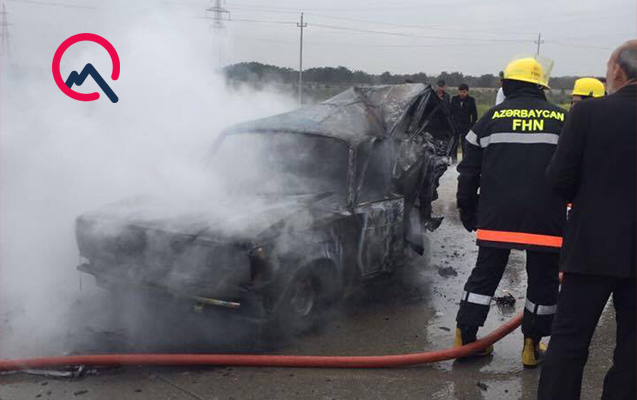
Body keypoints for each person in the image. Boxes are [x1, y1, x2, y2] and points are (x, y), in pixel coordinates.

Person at [537, 40, 637, 400]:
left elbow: (559, 179)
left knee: (568, 342)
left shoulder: (589, 114)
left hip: (591, 247)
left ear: (617, 71)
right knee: (633, 350)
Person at [453, 56, 568, 368]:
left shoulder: (489, 118)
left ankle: (466, 339)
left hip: (497, 218)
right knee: (544, 283)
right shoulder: (562, 119)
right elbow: (574, 171)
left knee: (484, 276)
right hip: (546, 219)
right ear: (542, 87)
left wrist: (467, 209)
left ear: (505, 84)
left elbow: (468, 172)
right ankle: (532, 347)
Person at [449, 83, 478, 163]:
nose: (462, 93)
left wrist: (471, 126)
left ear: (467, 92)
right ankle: (454, 161)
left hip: (466, 126)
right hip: (455, 125)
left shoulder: (471, 100)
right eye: (461, 91)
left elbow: (474, 115)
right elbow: (450, 113)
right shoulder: (454, 99)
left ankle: (464, 161)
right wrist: (451, 124)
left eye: (464, 92)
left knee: (464, 144)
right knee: (454, 143)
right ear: (458, 91)